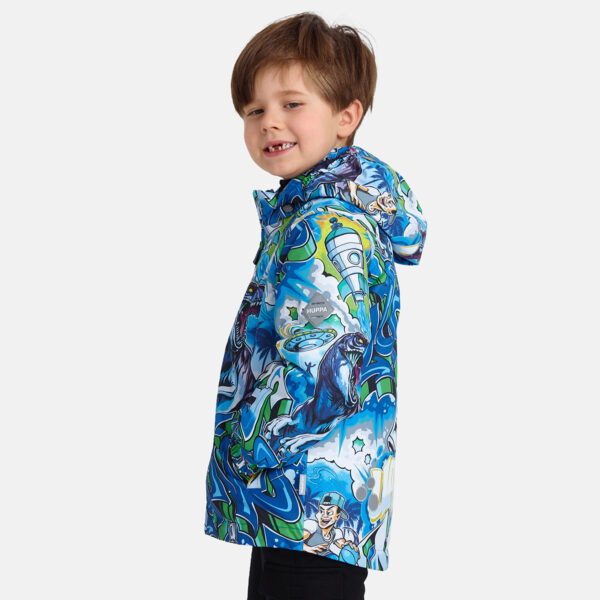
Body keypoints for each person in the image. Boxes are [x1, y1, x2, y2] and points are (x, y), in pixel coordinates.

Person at [203, 11, 427, 600]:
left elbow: (321, 360)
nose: (269, 122)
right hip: (315, 502)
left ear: (346, 117)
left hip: (303, 497)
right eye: (253, 110)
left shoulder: (325, 226)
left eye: (292, 104)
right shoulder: (316, 211)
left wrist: (248, 447)